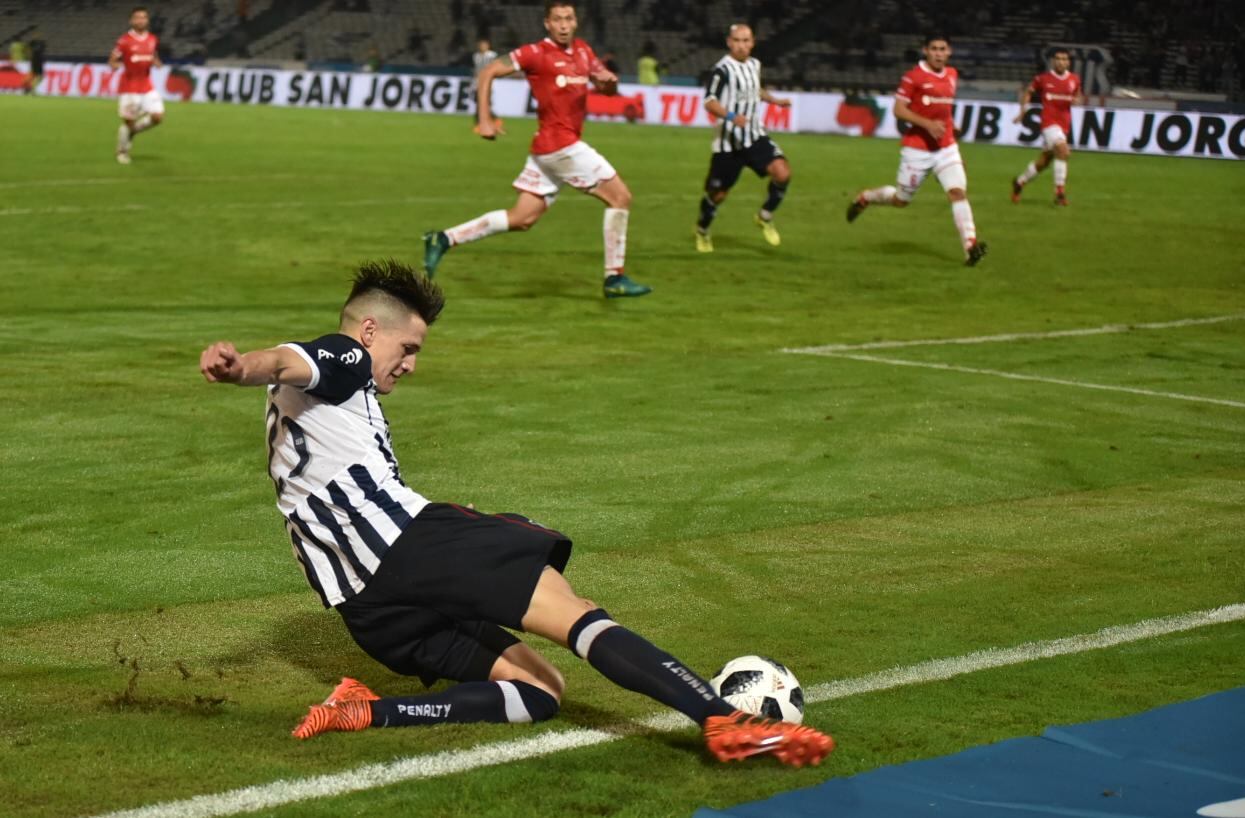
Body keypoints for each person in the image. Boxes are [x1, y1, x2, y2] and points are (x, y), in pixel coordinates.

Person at [197, 260, 834, 766]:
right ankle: (723, 721)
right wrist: (237, 367)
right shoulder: (345, 356)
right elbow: (284, 359)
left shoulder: (321, 398)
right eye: (409, 346)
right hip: (405, 546)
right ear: (369, 331)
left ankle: (364, 710)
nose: (411, 364)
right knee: (577, 615)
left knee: (540, 692)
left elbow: (294, 385)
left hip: (362, 601)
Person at [422, 2, 651, 299]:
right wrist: (485, 119)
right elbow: (489, 71)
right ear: (547, 23)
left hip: (549, 150)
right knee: (620, 197)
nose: (564, 25)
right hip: (561, 146)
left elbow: (605, 85)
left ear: (576, 21)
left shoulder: (584, 51)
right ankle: (614, 278)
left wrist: (610, 83)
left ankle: (443, 239)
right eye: (557, 20)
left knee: (522, 218)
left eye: (569, 18)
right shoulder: (535, 53)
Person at [846, 34, 988, 267]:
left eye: (943, 49)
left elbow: (943, 108)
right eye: (934, 49)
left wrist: (950, 125)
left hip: (946, 147)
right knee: (901, 200)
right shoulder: (913, 77)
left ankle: (970, 246)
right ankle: (867, 197)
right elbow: (899, 110)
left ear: (949, 51)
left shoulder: (952, 75)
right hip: (918, 150)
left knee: (957, 193)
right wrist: (928, 124)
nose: (939, 53)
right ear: (926, 51)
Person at [694, 23, 793, 253]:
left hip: (754, 135)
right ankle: (702, 230)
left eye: (746, 40)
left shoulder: (755, 65)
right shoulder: (722, 69)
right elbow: (709, 101)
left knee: (783, 172)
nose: (741, 45)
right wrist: (730, 115)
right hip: (729, 143)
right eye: (737, 41)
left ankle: (765, 216)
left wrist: (774, 101)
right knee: (717, 195)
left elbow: (755, 90)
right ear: (729, 42)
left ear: (752, 42)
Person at [1011, 48, 1083, 207]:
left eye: (1064, 59)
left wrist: (1077, 99)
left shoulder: (1074, 79)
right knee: (1063, 151)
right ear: (1053, 61)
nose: (1061, 62)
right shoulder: (1043, 79)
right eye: (1058, 59)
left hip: (1064, 124)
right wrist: (1022, 112)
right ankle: (1059, 192)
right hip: (1049, 123)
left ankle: (1019, 182)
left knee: (1044, 162)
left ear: (1068, 62)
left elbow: (1078, 95)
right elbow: (1028, 92)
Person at [109, 6, 164, 165]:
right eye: (137, 17)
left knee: (157, 117)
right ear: (131, 21)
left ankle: (132, 132)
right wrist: (116, 65)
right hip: (129, 87)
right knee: (129, 121)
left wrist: (156, 62)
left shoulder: (153, 39)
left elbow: (153, 56)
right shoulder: (124, 40)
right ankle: (122, 151)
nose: (141, 20)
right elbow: (113, 60)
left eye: (144, 17)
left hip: (147, 85)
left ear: (147, 20)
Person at [471, 37, 499, 127]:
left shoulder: (492, 55)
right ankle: (482, 121)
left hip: (488, 82)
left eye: (484, 45)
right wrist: (474, 80)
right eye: (481, 45)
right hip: (477, 82)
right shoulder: (476, 56)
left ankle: (491, 119)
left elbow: (495, 67)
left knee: (484, 103)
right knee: (478, 102)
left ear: (488, 46)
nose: (482, 47)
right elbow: (476, 70)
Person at [25, 30, 45, 95]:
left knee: (39, 76)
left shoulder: (42, 43)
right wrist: (29, 57)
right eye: (35, 34)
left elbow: (42, 52)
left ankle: (28, 87)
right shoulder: (31, 43)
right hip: (34, 60)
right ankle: (31, 89)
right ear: (33, 36)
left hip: (39, 60)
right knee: (36, 75)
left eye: (38, 34)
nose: (37, 35)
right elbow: (28, 50)